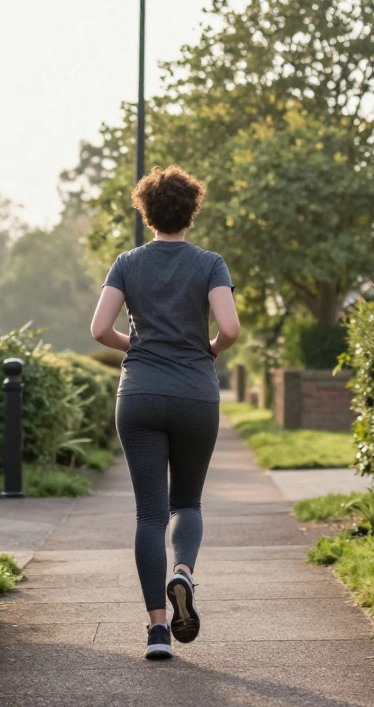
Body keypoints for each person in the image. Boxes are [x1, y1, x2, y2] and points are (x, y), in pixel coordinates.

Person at [90, 165, 240, 660]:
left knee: (150, 514)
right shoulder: (210, 263)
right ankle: (184, 574)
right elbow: (231, 329)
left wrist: (134, 343)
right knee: (188, 503)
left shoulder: (127, 263)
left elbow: (98, 329)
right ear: (190, 211)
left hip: (140, 395)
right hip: (196, 393)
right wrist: (209, 349)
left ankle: (158, 631)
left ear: (145, 210)